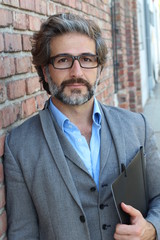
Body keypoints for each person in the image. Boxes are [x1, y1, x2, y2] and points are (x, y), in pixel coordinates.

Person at [4, 13, 160, 240]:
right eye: (63, 60)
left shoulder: (137, 126)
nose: (77, 72)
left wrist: (152, 228)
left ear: (99, 68)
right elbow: (23, 234)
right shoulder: (19, 146)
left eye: (87, 59)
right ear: (46, 72)